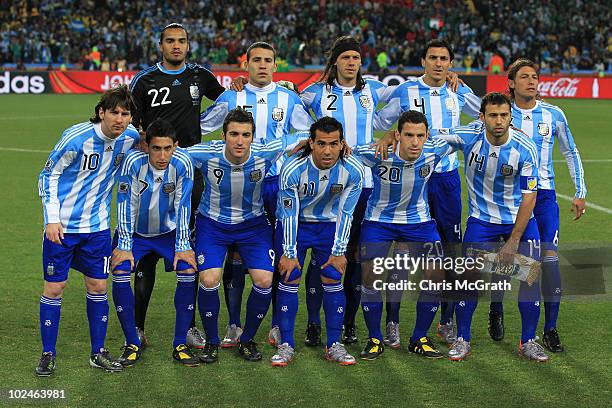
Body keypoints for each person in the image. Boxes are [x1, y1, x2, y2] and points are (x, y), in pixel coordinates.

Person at [200, 41, 313, 348]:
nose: (263, 65)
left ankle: (277, 323)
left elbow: (308, 133)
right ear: (246, 65)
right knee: (234, 254)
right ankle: (234, 324)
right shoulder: (232, 95)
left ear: (275, 66)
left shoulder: (288, 98)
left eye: (268, 60)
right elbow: (203, 125)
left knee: (277, 253)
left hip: (275, 184)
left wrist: (281, 150)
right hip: (240, 183)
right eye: (257, 60)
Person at [374, 39, 481, 347]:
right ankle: (392, 321)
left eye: (443, 58)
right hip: (411, 178)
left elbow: (485, 115)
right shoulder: (406, 90)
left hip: (446, 178)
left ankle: (446, 320)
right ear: (423, 60)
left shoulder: (457, 92)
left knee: (450, 253)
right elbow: (380, 119)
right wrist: (390, 134)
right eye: (432, 57)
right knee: (405, 253)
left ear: (450, 63)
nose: (437, 63)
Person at [128, 22, 226, 349]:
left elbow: (227, 104)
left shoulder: (200, 75)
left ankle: (189, 326)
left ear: (188, 44)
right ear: (161, 45)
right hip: (151, 173)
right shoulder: (145, 79)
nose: (176, 46)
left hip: (190, 171)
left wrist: (240, 86)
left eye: (181, 41)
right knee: (146, 256)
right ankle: (138, 327)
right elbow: (130, 119)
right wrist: (142, 138)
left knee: (191, 252)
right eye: (170, 41)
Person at [187, 107, 306, 363]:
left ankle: (247, 339)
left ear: (253, 136)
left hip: (253, 225)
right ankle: (212, 341)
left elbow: (306, 135)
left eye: (245, 134)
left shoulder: (265, 152)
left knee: (264, 280)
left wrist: (340, 144)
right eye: (233, 134)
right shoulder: (206, 154)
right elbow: (173, 154)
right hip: (213, 224)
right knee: (209, 279)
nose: (239, 141)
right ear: (223, 135)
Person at [438, 92, 549, 362]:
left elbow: (529, 197)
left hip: (519, 220)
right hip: (481, 220)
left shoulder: (525, 147)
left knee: (530, 275)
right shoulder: (468, 136)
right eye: (492, 115)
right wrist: (391, 136)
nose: (498, 121)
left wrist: (512, 242)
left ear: (511, 117)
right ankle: (463, 339)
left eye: (503, 115)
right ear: (482, 116)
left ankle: (528, 340)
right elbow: (427, 136)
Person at [36, 85, 139, 376]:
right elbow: (48, 175)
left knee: (98, 287)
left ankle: (98, 352)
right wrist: (51, 219)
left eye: (125, 114)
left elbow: (149, 144)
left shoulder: (129, 138)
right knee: (55, 288)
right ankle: (48, 353)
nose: (119, 119)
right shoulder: (77, 138)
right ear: (101, 113)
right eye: (114, 113)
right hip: (63, 228)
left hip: (96, 229)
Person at [299, 36, 394, 346]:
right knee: (322, 257)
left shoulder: (374, 90)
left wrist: (392, 132)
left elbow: (409, 99)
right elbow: (287, 103)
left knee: (354, 257)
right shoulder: (316, 94)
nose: (352, 62)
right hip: (324, 187)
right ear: (335, 62)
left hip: (365, 185)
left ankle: (348, 323)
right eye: (346, 57)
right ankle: (314, 322)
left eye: (356, 57)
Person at [489, 58, 586, 351]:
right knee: (508, 260)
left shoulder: (553, 114)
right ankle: (496, 309)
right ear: (511, 83)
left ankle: (550, 329)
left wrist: (580, 190)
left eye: (535, 77)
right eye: (524, 77)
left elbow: (570, 151)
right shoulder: (501, 113)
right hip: (510, 198)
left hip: (543, 198)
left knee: (550, 263)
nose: (531, 81)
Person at [354, 110, 454, 360]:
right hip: (379, 221)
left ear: (427, 136)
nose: (415, 142)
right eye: (408, 135)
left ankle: (419, 337)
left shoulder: (436, 150)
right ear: (397, 135)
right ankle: (375, 338)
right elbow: (342, 151)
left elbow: (471, 135)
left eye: (420, 136)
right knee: (371, 277)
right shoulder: (377, 152)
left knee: (436, 274)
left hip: (419, 222)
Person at [272, 117, 364, 366]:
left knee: (333, 276)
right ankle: (286, 344)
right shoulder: (293, 169)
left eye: (333, 144)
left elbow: (347, 213)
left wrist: (339, 251)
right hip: (297, 226)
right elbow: (288, 214)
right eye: (321, 143)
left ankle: (334, 344)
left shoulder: (353, 170)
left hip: (328, 226)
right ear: (311, 143)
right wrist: (289, 252)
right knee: (289, 277)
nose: (327, 150)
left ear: (342, 144)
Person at [110, 118, 200, 367]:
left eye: (167, 148)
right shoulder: (133, 162)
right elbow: (125, 203)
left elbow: (184, 206)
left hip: (168, 233)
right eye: (156, 148)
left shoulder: (183, 163)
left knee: (188, 270)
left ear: (176, 146)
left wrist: (183, 246)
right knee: (118, 271)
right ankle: (132, 341)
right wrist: (125, 245)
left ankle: (180, 343)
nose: (162, 155)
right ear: (145, 146)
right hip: (135, 233)